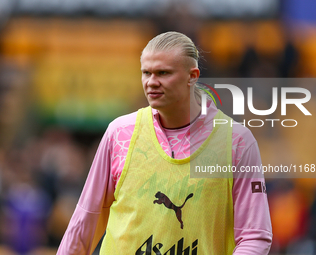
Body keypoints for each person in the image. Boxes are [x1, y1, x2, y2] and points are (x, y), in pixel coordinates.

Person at [57, 31, 272, 254]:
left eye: (163, 73)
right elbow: (85, 221)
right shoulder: (119, 133)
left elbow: (254, 236)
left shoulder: (237, 142)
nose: (151, 82)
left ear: (192, 76)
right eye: (146, 73)